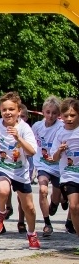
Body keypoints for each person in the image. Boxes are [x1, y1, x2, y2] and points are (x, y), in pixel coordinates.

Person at [0, 92, 39, 248]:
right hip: (1, 167)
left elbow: (32, 151)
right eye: (4, 109)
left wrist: (18, 138)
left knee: (30, 208)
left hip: (20, 172)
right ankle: (0, 213)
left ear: (18, 111)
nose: (7, 113)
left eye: (11, 109)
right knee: (3, 190)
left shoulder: (24, 128)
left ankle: (32, 234)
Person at [47, 98, 79, 236]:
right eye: (66, 116)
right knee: (74, 206)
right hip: (69, 175)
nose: (69, 118)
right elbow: (53, 158)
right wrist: (59, 150)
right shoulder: (60, 133)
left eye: (73, 115)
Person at [32, 96, 63, 236]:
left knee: (55, 199)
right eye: (48, 112)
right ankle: (47, 223)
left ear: (59, 114)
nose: (51, 116)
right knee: (43, 190)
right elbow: (30, 143)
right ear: (43, 112)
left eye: (54, 113)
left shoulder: (61, 128)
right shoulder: (37, 127)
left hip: (57, 166)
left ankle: (55, 203)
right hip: (43, 164)